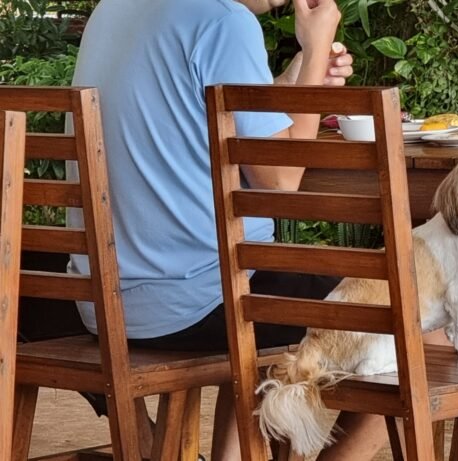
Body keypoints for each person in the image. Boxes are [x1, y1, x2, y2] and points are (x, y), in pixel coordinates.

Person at [69, 0, 431, 459]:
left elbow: (209, 117)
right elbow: (280, 179)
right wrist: (317, 47)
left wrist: (299, 81)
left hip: (103, 303)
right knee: (423, 312)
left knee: (265, 293)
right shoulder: (224, 19)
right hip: (197, 300)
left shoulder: (115, 7)